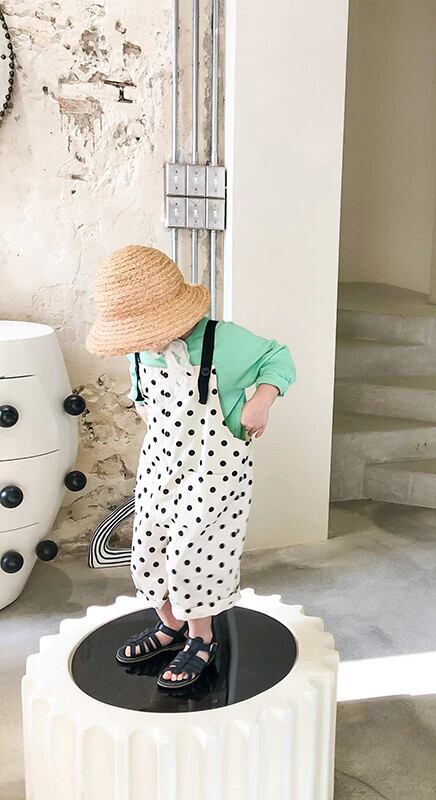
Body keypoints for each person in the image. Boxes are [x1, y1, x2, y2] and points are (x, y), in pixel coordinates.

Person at [86, 245, 295, 689]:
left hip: (214, 472)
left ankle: (202, 637)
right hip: (160, 467)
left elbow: (279, 358)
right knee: (147, 552)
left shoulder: (225, 341)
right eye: (135, 334)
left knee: (192, 557)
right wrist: (146, 410)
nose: (145, 341)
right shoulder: (140, 351)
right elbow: (141, 396)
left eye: (149, 330)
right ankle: (170, 625)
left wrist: (261, 402)